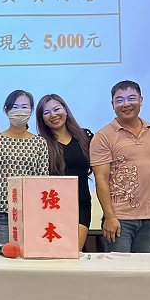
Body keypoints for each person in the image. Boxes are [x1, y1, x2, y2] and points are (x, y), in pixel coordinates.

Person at [90, 80, 150, 253]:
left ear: (141, 100)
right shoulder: (103, 136)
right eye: (119, 100)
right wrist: (109, 216)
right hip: (120, 218)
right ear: (112, 104)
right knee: (119, 268)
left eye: (131, 98)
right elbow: (101, 179)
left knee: (144, 268)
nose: (126, 104)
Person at [0, 90, 49, 244]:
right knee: (4, 256)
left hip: (30, 212)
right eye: (15, 107)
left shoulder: (39, 142)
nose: (20, 111)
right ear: (6, 110)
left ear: (31, 110)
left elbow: (43, 181)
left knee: (29, 256)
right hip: (0, 211)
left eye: (25, 107)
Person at [36, 94, 94, 250]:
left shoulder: (86, 137)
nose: (53, 115)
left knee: (74, 252)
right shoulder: (40, 143)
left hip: (81, 204)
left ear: (66, 111)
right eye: (46, 112)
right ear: (42, 119)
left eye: (56, 109)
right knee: (55, 253)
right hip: (52, 207)